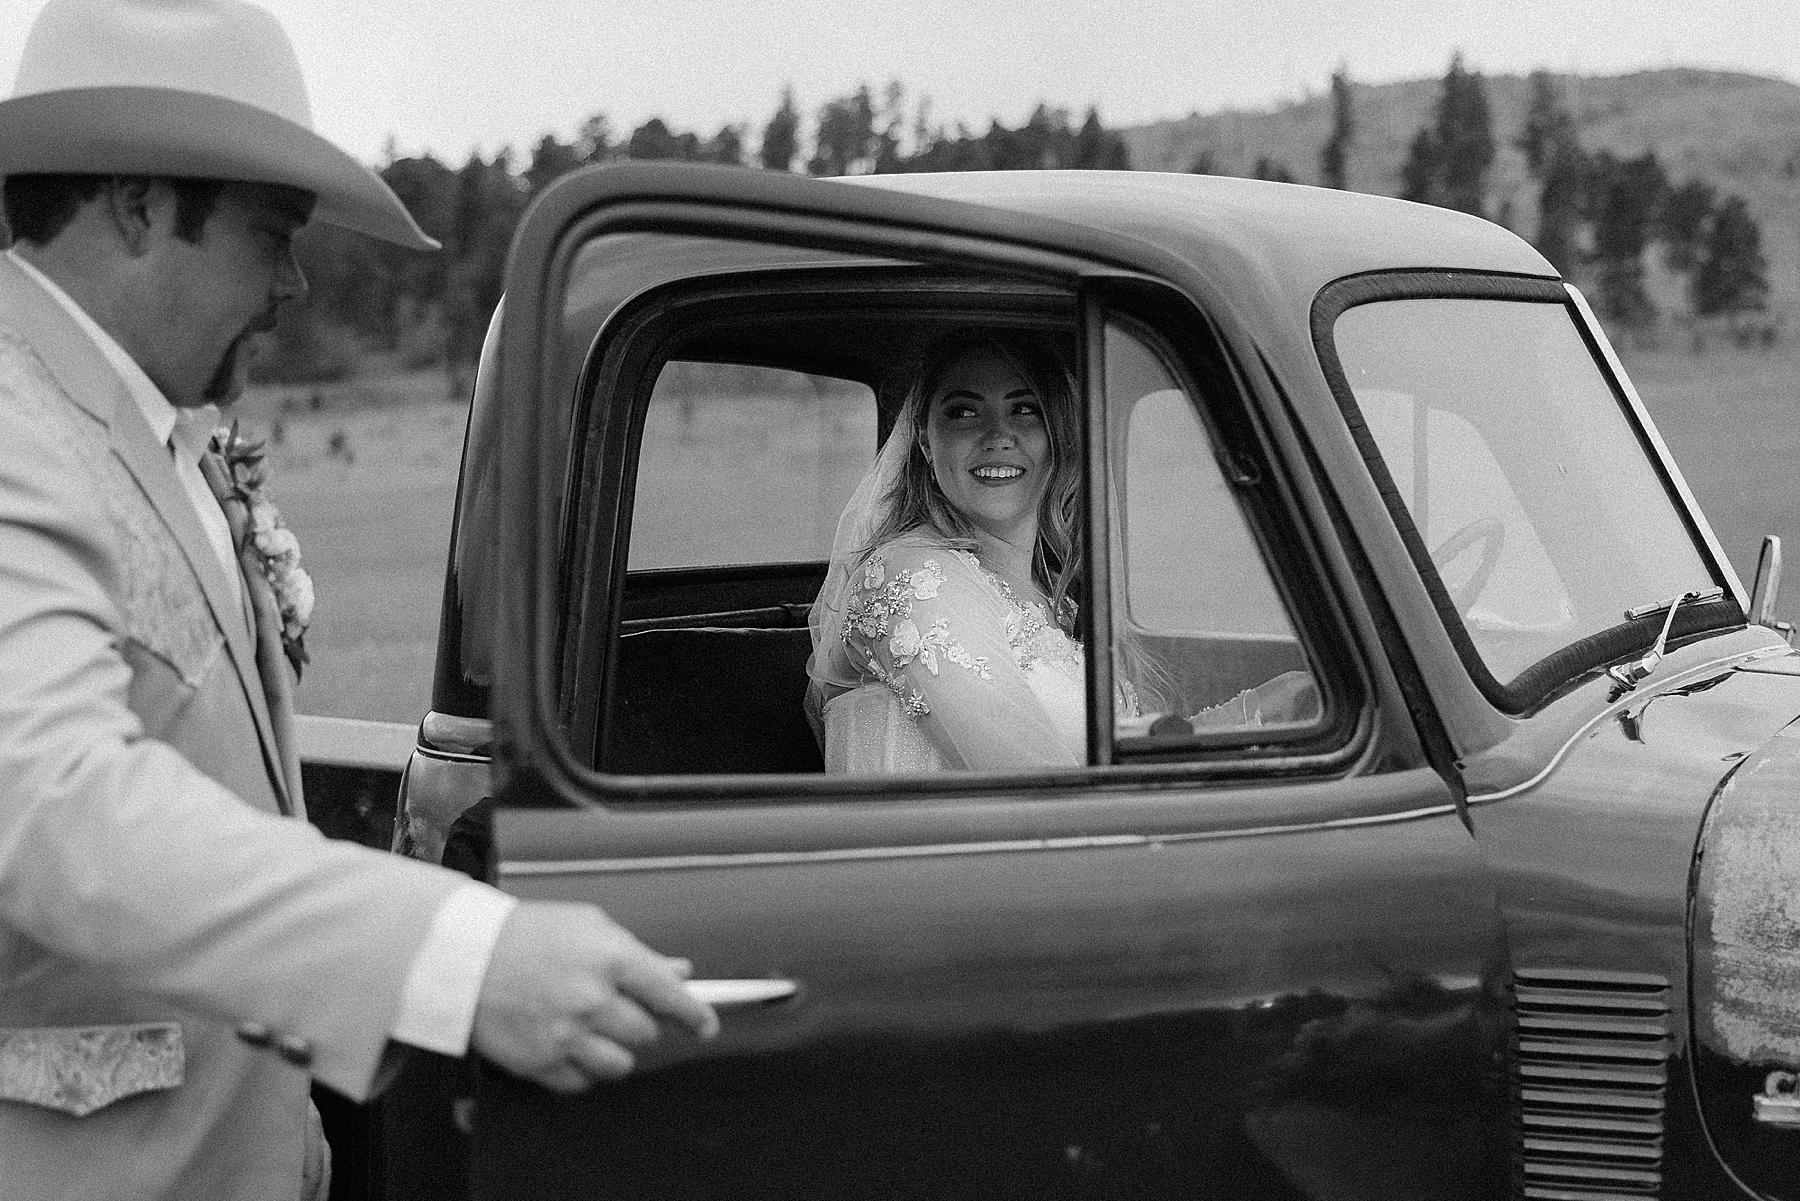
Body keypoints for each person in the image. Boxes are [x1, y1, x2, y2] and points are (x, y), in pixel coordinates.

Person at [0, 3, 715, 1199]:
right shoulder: (14, 430)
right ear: (133, 207)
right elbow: (59, 805)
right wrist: (460, 957)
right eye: (270, 233)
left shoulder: (141, 430)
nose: (290, 284)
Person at [805, 330, 1317, 773]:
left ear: (1056, 434)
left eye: (1023, 410)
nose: (998, 435)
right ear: (923, 440)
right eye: (963, 412)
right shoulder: (914, 575)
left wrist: (1271, 706)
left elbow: (1103, 757)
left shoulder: (1050, 598)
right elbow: (1038, 783)